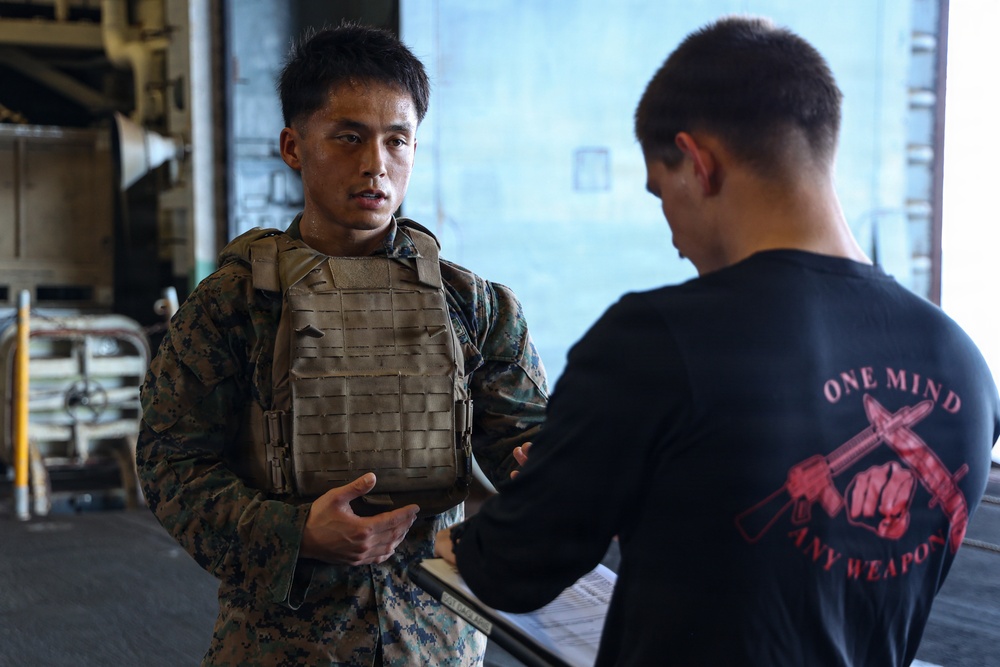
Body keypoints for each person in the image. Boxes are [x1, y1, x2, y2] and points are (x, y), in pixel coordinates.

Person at [434, 15, 1000, 667]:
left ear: (698, 163)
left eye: (660, 191)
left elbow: (515, 568)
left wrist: (485, 534)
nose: (672, 235)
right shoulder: (962, 365)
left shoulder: (655, 338)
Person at [136, 23, 548, 667]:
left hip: (435, 641)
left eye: (397, 140)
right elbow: (169, 466)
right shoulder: (231, 305)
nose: (375, 164)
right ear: (293, 147)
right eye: (349, 137)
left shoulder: (476, 307)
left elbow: (521, 443)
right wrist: (295, 533)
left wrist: (543, 467)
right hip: (282, 643)